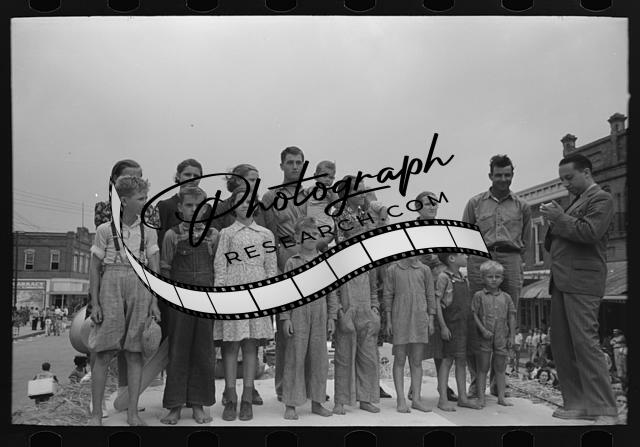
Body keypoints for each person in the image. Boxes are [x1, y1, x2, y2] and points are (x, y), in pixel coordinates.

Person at [540, 153, 617, 424]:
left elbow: (590, 232)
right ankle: (576, 403)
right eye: (562, 179)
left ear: (586, 172)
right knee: (562, 344)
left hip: (583, 281)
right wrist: (555, 221)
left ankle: (604, 408)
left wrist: (559, 218)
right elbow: (556, 241)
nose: (565, 184)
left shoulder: (602, 199)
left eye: (569, 178)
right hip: (561, 281)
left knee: (585, 343)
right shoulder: (576, 202)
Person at [88, 175, 162, 426]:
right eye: (141, 198)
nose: (145, 202)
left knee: (135, 352)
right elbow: (94, 267)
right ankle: (96, 414)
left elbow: (154, 267)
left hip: (140, 285)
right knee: (102, 352)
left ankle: (132, 413)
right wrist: (95, 303)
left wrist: (154, 301)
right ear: (125, 200)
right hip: (111, 283)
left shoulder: (148, 230)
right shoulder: (104, 230)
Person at [462, 154, 531, 398]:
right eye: (498, 175)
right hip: (480, 258)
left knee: (507, 316)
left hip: (510, 259)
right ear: (490, 175)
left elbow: (526, 240)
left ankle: (498, 382)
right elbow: (465, 234)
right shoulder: (475, 203)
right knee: (476, 315)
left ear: (512, 175)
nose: (503, 179)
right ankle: (476, 380)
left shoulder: (522, 206)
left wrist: (516, 259)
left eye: (507, 175)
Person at [213, 187, 276, 421]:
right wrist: (220, 294)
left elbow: (271, 266)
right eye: (239, 202)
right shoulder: (227, 233)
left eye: (249, 201)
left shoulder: (265, 234)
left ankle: (247, 397)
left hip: (256, 294)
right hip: (233, 292)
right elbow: (220, 265)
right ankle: (230, 397)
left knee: (251, 346)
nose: (244, 205)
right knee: (230, 346)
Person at [159, 186, 218, 425]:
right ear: (180, 208)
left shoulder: (213, 235)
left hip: (205, 301)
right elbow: (164, 268)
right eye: (189, 205)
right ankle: (174, 406)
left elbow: (217, 269)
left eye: (198, 206)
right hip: (179, 303)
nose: (194, 210)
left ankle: (198, 405)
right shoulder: (172, 235)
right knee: (178, 350)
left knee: (203, 351)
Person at [328, 175, 381, 415]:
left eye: (364, 191)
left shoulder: (363, 216)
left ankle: (366, 397)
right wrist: (339, 307)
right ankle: (341, 399)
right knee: (344, 352)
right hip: (347, 291)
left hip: (365, 294)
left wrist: (374, 305)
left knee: (368, 353)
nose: (363, 194)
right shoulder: (340, 215)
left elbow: (373, 278)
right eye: (359, 191)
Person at [262, 146, 308, 403]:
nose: (295, 166)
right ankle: (283, 386)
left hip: (309, 264)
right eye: (290, 162)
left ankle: (308, 387)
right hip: (283, 263)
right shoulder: (270, 197)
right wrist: (277, 270)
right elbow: (268, 237)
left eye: (299, 162)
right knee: (285, 331)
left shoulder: (309, 195)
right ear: (281, 165)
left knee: (310, 328)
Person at [280, 217, 333, 420]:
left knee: (319, 359)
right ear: (297, 237)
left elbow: (332, 292)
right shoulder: (292, 262)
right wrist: (286, 318)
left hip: (320, 313)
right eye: (306, 234)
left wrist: (332, 316)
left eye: (315, 234)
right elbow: (285, 293)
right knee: (295, 357)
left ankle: (317, 402)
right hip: (298, 314)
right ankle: (291, 403)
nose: (311, 237)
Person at [411, 191, 457, 403]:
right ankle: (414, 387)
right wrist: (437, 264)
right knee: (419, 338)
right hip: (419, 287)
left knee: (441, 339)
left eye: (435, 204)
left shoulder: (443, 229)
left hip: (440, 289)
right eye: (427, 203)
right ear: (417, 207)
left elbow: (449, 257)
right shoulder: (411, 230)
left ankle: (442, 385)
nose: (432, 207)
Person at [383, 255, 436, 413]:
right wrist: (389, 320)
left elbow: (430, 295)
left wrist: (431, 319)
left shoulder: (425, 270)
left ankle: (417, 399)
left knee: (417, 360)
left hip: (420, 317)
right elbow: (387, 295)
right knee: (399, 358)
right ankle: (400, 399)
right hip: (400, 316)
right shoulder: (393, 270)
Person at [434, 252, 481, 412]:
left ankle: (462, 398)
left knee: (462, 361)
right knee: (447, 360)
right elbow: (437, 303)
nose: (466, 257)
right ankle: (442, 399)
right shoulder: (444, 277)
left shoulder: (463, 278)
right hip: (451, 324)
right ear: (452, 258)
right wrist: (443, 326)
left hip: (465, 324)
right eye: (462, 254)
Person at [471, 260, 516, 407]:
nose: (494, 279)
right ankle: (481, 397)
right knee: (482, 367)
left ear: (502, 278)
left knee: (500, 367)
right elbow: (474, 314)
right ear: (483, 278)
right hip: (484, 336)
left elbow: (511, 316)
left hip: (501, 336)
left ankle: (501, 397)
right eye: (490, 276)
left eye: (497, 276)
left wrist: (512, 336)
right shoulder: (479, 296)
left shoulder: (506, 297)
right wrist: (483, 330)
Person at [304, 160, 339, 250]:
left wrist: (333, 193)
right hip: (313, 229)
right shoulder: (310, 189)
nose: (328, 179)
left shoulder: (329, 191)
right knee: (320, 251)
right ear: (315, 176)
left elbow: (338, 205)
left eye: (331, 178)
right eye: (324, 176)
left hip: (326, 228)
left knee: (313, 249)